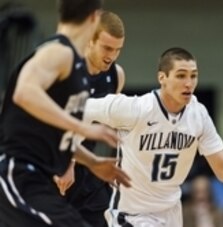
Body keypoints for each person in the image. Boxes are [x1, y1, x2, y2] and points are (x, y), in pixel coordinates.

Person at [0, 1, 131, 227]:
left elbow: (55, 134)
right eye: (108, 48)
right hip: (20, 172)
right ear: (94, 18)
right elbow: (24, 92)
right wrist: (83, 128)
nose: (112, 55)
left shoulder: (80, 67)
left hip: (47, 174)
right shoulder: (58, 51)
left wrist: (93, 161)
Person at [83, 47, 223, 227]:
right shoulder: (136, 109)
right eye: (181, 76)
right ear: (162, 78)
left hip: (171, 214)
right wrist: (73, 154)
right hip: (132, 214)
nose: (189, 83)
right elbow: (77, 108)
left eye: (193, 76)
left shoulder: (199, 115)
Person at [54, 11, 126, 227]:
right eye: (107, 48)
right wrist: (67, 163)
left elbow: (110, 124)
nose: (111, 56)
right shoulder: (63, 69)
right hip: (53, 164)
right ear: (90, 40)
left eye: (117, 50)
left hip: (87, 170)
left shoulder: (116, 75)